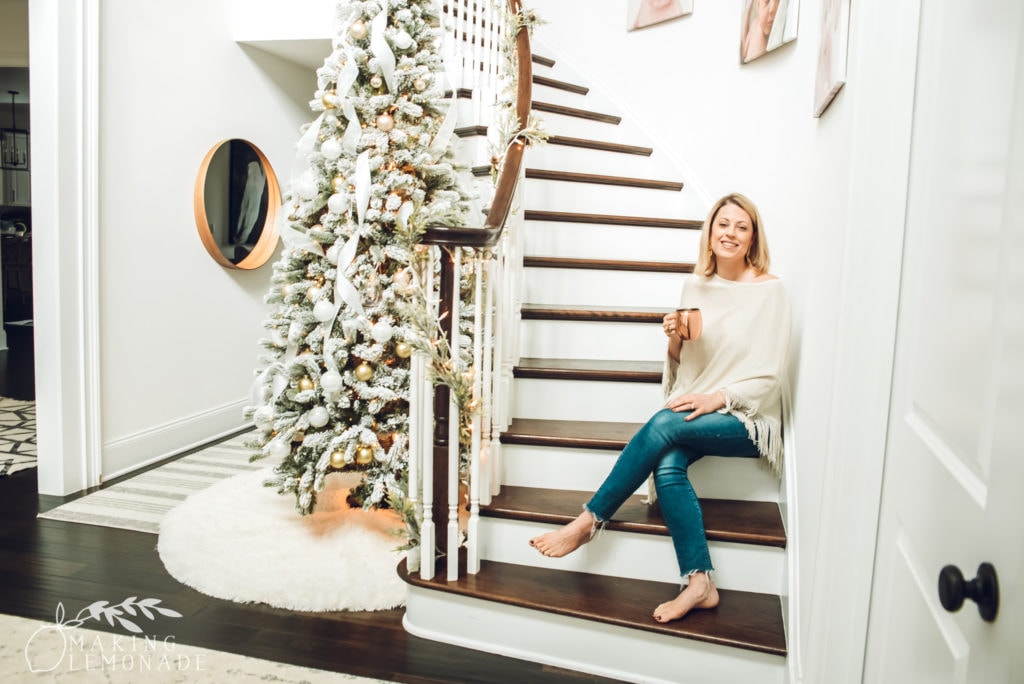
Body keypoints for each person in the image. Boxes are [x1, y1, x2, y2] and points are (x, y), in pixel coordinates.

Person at [529, 193, 791, 623]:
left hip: (747, 418)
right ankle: (700, 582)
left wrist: (717, 398)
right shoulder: (695, 285)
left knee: (662, 426)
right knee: (668, 463)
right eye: (722, 224)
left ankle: (588, 521)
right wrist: (673, 335)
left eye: (741, 227)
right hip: (700, 408)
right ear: (709, 233)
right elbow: (685, 363)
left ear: (752, 239)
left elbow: (771, 374)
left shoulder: (770, 291)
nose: (730, 233)